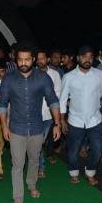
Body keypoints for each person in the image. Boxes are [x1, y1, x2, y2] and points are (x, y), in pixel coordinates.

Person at [0, 41, 61, 203]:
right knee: (17, 164)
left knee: (34, 160)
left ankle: (32, 184)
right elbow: (2, 104)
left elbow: (53, 100)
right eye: (20, 60)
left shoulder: (43, 78)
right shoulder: (9, 79)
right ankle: (18, 199)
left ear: (33, 59)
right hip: (16, 128)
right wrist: (4, 126)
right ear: (15, 60)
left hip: (36, 128)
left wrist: (57, 124)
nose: (24, 63)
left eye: (27, 59)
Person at [59, 45, 102, 185]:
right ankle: (73, 172)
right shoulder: (68, 77)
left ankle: (90, 171)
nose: (87, 59)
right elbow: (62, 100)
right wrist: (61, 120)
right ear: (78, 58)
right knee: (73, 150)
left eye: (90, 57)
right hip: (74, 121)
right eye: (84, 56)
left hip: (95, 120)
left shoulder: (100, 75)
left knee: (98, 149)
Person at [35, 49, 62, 178]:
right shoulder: (31, 74)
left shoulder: (55, 75)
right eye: (38, 58)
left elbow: (57, 95)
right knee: (37, 142)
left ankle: (38, 164)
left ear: (48, 60)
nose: (40, 60)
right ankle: (40, 166)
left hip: (48, 115)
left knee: (40, 142)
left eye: (42, 58)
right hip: (33, 115)